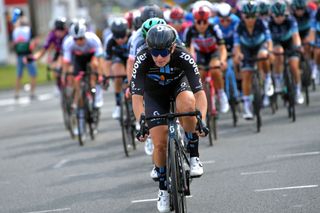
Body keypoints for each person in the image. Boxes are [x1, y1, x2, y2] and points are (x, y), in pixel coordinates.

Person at [131, 24, 207, 213]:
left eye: (164, 52)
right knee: (160, 143)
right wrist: (141, 121)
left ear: (172, 47)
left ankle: (194, 155)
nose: (159, 57)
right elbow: (137, 98)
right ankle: (163, 189)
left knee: (188, 105)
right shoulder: (142, 59)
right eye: (155, 52)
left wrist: (202, 120)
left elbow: (199, 93)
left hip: (178, 87)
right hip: (154, 95)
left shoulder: (183, 55)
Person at [183, 5, 230, 113]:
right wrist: (188, 64)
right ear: (195, 21)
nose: (202, 25)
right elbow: (187, 50)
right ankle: (202, 98)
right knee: (199, 74)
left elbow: (222, 48)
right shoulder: (189, 30)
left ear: (208, 21)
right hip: (201, 54)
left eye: (204, 22)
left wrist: (222, 60)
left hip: (214, 52)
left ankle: (222, 94)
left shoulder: (214, 28)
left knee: (215, 70)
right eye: (199, 22)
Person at [62, 21, 105, 134]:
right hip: (78, 59)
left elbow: (100, 60)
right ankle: (80, 102)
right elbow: (66, 62)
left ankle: (95, 90)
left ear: (85, 35)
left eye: (81, 38)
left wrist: (100, 75)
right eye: (76, 39)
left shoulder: (93, 39)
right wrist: (65, 76)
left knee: (94, 66)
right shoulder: (68, 43)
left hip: (92, 57)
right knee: (75, 79)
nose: (79, 41)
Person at [233, 1, 273, 119]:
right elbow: (236, 44)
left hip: (259, 46)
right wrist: (238, 53)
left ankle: (268, 78)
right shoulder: (239, 25)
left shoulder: (262, 23)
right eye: (247, 16)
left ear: (256, 15)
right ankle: (246, 106)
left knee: (263, 55)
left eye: (253, 16)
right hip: (246, 49)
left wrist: (269, 50)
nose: (250, 19)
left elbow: (269, 39)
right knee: (246, 75)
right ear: (243, 16)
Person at [268, 2, 304, 104]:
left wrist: (298, 46)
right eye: (277, 16)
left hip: (289, 42)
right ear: (273, 15)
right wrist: (269, 50)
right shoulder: (269, 22)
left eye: (281, 16)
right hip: (277, 42)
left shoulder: (291, 20)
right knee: (278, 53)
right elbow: (267, 39)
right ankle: (278, 78)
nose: (279, 18)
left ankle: (298, 89)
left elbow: (296, 35)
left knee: (294, 66)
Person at [30, 18, 68, 92]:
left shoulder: (69, 34)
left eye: (62, 30)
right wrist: (33, 58)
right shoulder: (52, 35)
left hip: (68, 53)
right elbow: (44, 50)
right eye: (58, 30)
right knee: (55, 70)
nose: (60, 33)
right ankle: (59, 85)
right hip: (58, 53)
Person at [104, 18, 131, 119]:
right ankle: (118, 105)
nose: (120, 40)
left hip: (131, 59)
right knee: (117, 74)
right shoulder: (110, 41)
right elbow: (107, 61)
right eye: (117, 37)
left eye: (122, 37)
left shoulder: (133, 37)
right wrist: (106, 77)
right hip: (118, 59)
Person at [12, 14, 38, 100]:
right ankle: (32, 92)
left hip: (19, 55)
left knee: (18, 74)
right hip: (28, 54)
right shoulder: (28, 30)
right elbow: (33, 42)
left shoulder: (15, 31)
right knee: (32, 74)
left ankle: (16, 93)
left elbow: (14, 44)